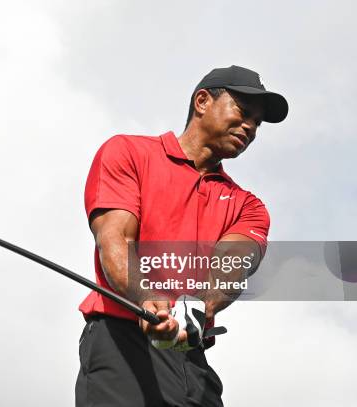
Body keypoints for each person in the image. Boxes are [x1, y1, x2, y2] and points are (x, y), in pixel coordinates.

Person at [75, 65, 288, 407]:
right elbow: (114, 240)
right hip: (121, 342)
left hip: (190, 353)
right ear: (202, 101)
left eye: (258, 123)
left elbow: (232, 265)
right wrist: (145, 298)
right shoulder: (128, 152)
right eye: (244, 112)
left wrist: (197, 307)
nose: (250, 127)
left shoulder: (248, 206)